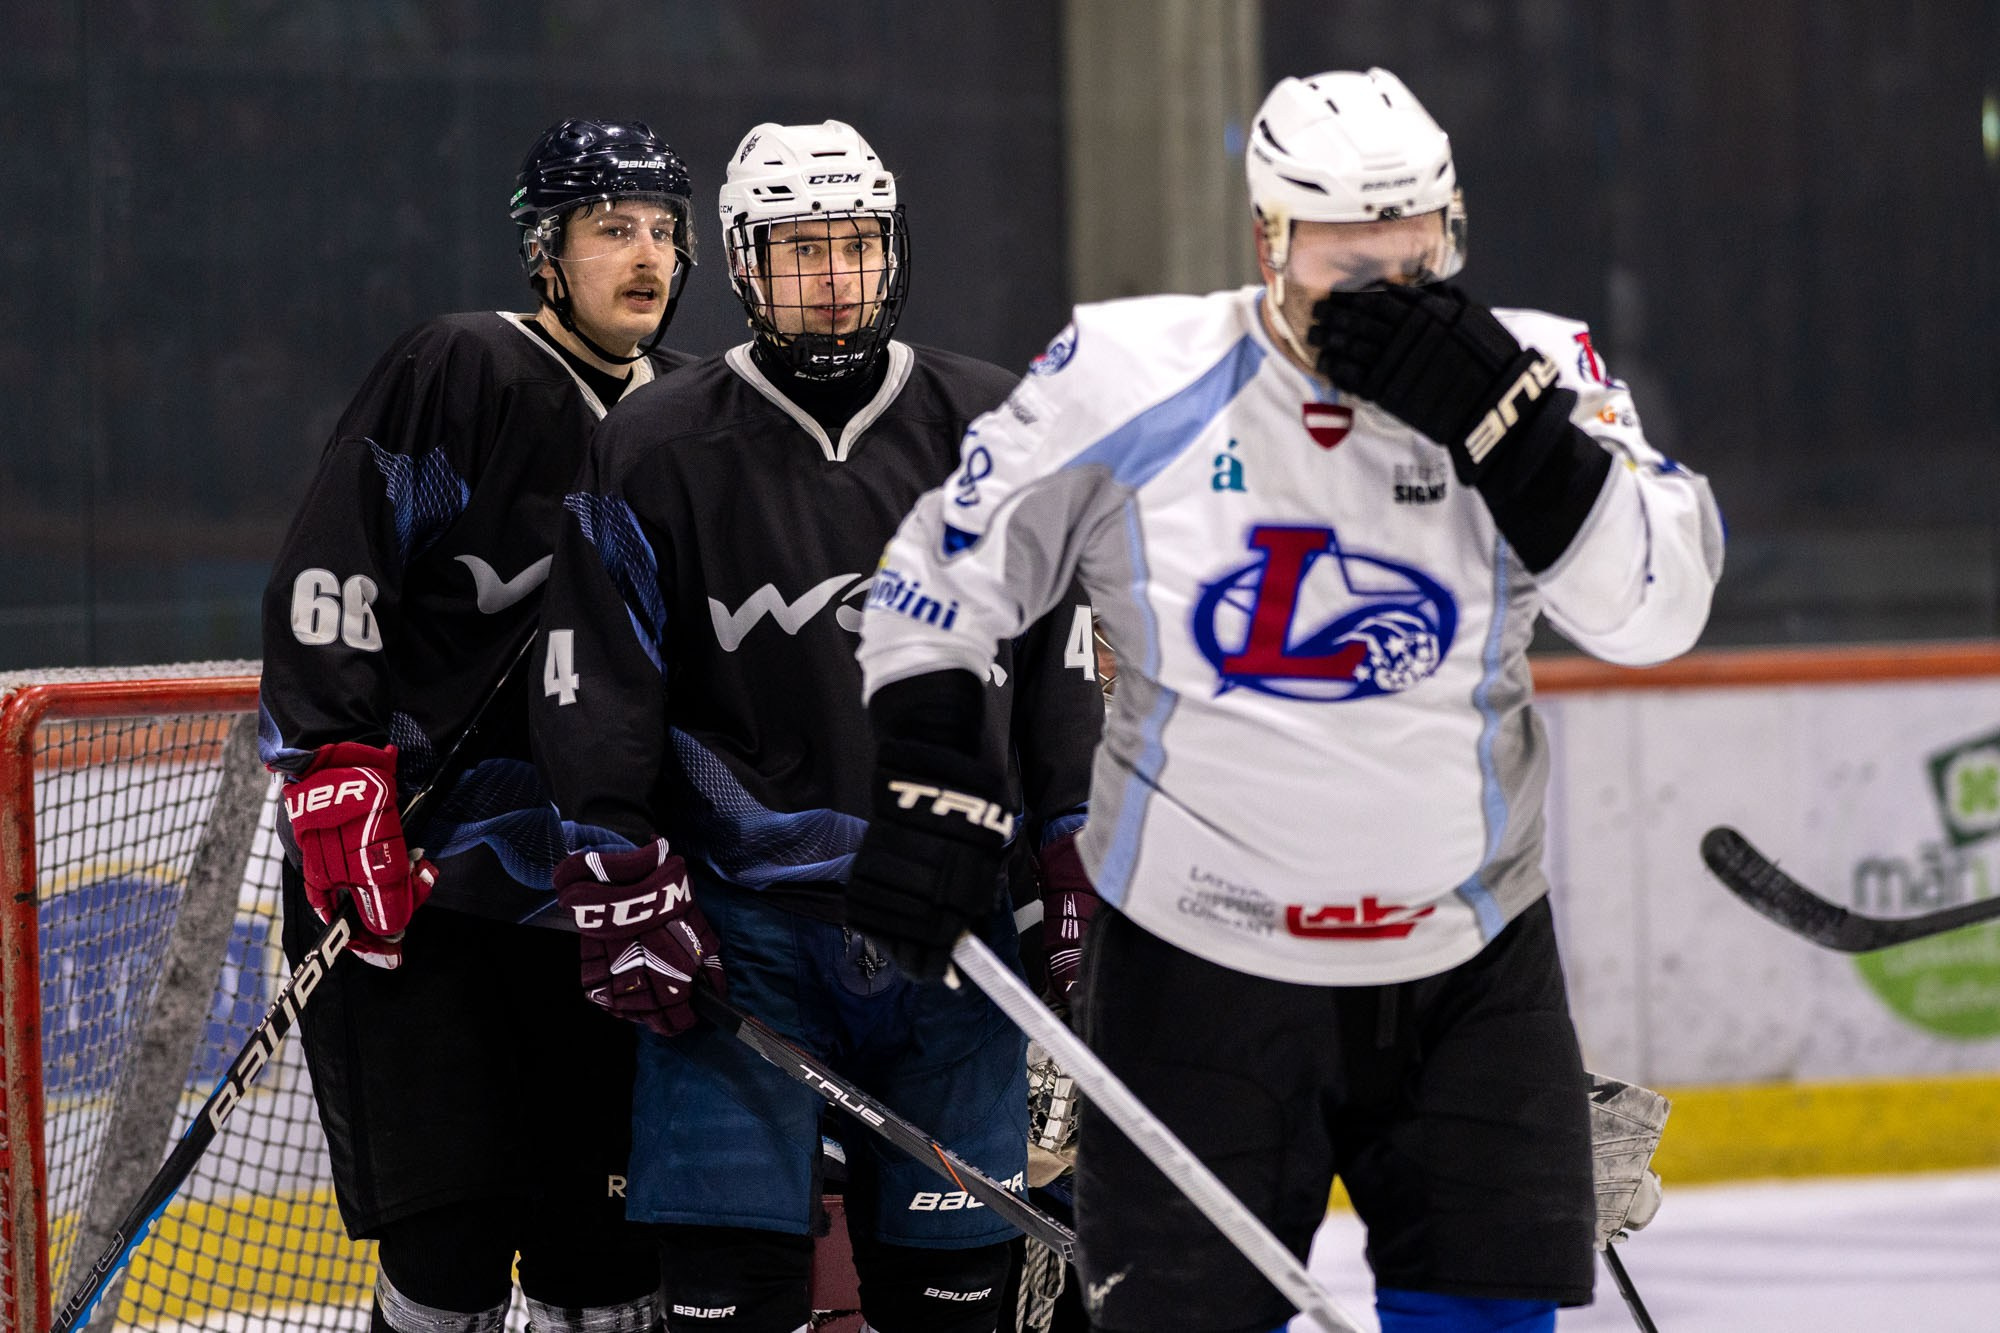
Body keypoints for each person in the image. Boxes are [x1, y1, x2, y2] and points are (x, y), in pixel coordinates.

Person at [846, 67, 1724, 1333]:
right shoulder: (1127, 372)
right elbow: (939, 573)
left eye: (1408, 244)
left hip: (1464, 958)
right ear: (1266, 240)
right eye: (1334, 248)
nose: (1377, 281)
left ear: (1452, 229)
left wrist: (1511, 430)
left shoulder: (1539, 369)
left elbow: (1655, 609)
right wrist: (932, 763)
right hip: (1194, 968)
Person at [527, 120, 1102, 1333]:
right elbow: (596, 682)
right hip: (742, 938)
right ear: (744, 263)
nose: (835, 277)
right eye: (801, 250)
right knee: (727, 1303)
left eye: (855, 245)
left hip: (954, 933)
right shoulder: (650, 446)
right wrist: (616, 863)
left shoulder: (996, 430)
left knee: (951, 1307)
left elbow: (1058, 669)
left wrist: (1074, 859)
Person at [258, 118, 699, 1333]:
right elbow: (334, 569)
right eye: (611, 228)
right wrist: (335, 769)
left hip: (600, 898)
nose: (646, 255)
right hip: (424, 882)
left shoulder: (692, 414)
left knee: (603, 1256)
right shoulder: (460, 365)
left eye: (663, 230)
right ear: (545, 252)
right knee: (448, 1243)